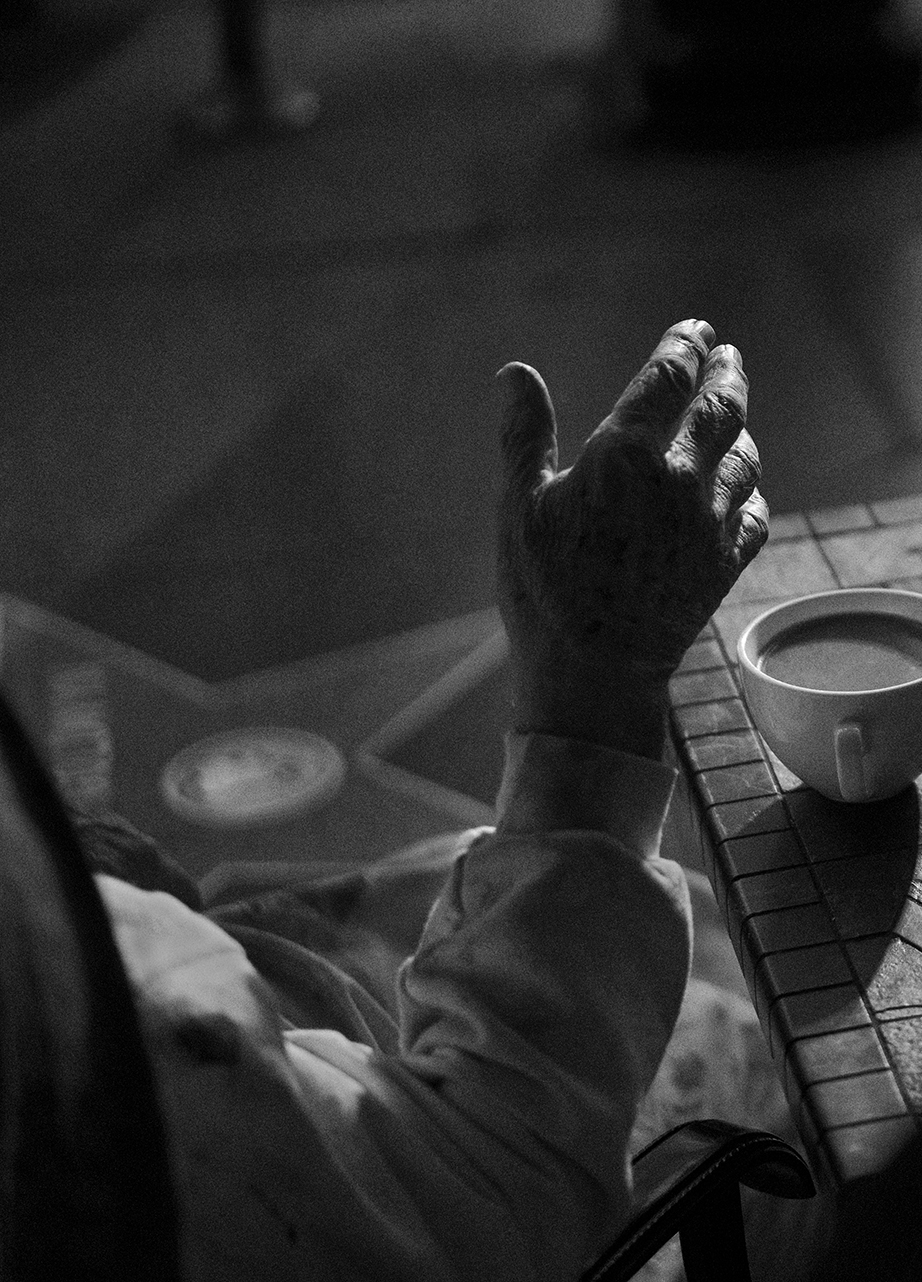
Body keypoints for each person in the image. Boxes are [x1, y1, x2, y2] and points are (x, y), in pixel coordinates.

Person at [89, 320, 785, 1281]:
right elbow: (498, 1201)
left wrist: (82, 880)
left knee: (509, 881)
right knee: (780, 1076)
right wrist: (592, 679)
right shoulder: (91, 1040)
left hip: (242, 1028)